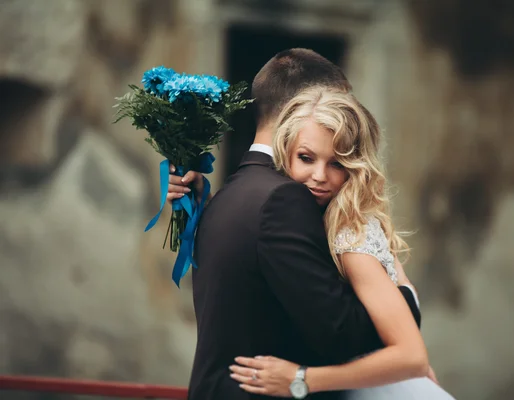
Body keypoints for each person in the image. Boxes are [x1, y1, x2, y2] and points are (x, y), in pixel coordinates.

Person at [168, 49, 432, 400]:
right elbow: (340, 334)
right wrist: (406, 298)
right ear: (299, 109)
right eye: (336, 103)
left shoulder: (224, 197)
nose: (320, 175)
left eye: (339, 162)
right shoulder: (284, 201)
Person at [227, 87, 456, 399]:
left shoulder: (348, 235)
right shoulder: (304, 218)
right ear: (285, 154)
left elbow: (412, 358)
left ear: (353, 168)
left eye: (336, 163)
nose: (319, 176)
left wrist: (301, 379)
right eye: (306, 158)